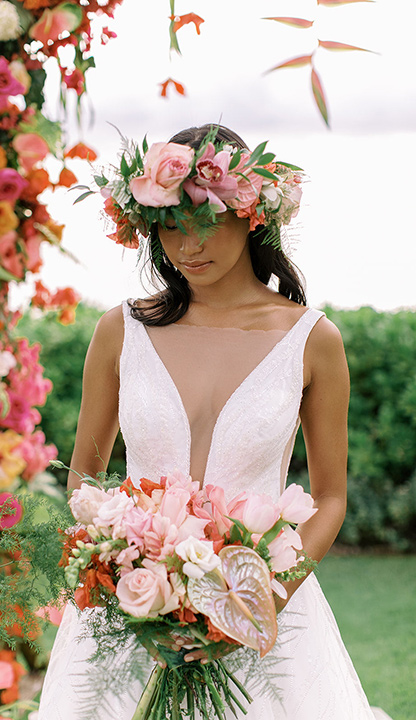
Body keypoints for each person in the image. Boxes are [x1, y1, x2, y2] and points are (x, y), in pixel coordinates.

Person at [38, 124, 376, 719]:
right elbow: (85, 481)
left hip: (265, 613)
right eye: (169, 227)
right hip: (128, 614)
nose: (185, 246)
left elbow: (329, 498)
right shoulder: (120, 331)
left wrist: (252, 603)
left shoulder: (313, 340)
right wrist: (126, 575)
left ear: (251, 216)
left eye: (203, 223)